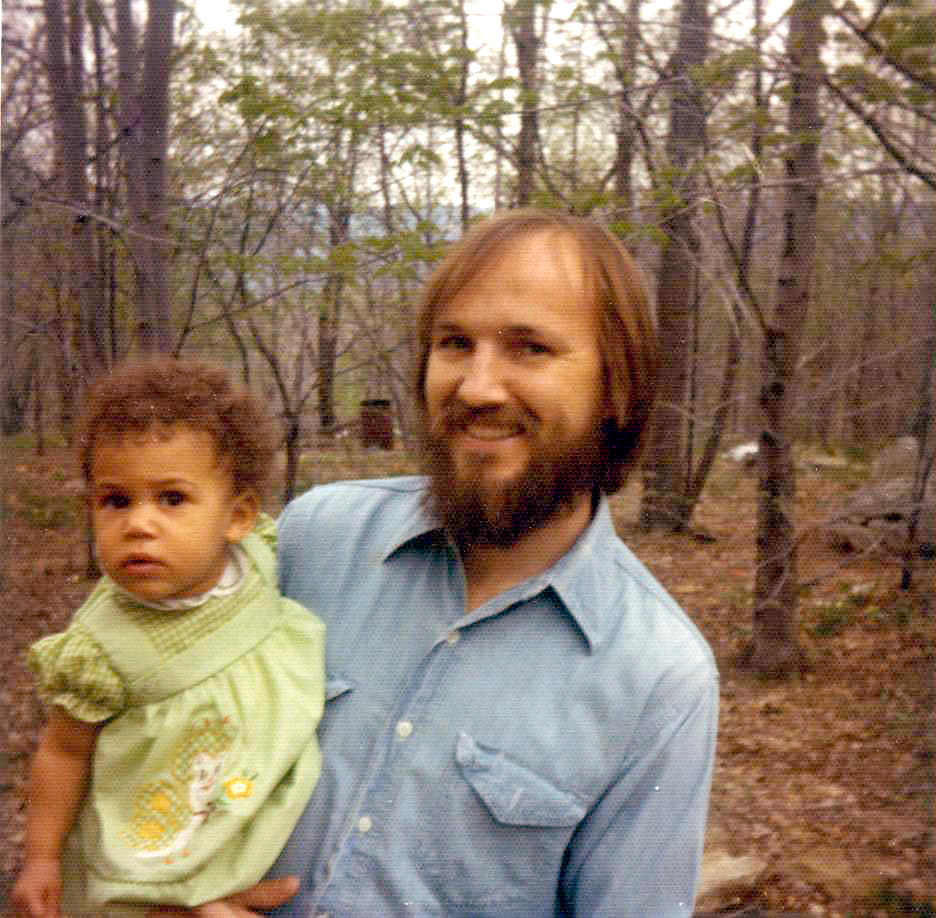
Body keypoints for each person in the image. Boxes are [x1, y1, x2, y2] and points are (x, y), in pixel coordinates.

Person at [153, 207, 720, 918]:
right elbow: (165, 731)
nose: (478, 387)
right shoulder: (313, 538)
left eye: (530, 349)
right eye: (455, 343)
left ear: (619, 388)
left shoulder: (657, 676)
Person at [12, 358, 326, 918]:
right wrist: (41, 858)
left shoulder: (258, 560)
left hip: (261, 812)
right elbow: (62, 750)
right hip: (159, 841)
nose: (139, 523)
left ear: (238, 517)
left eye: (172, 499)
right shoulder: (100, 647)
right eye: (116, 500)